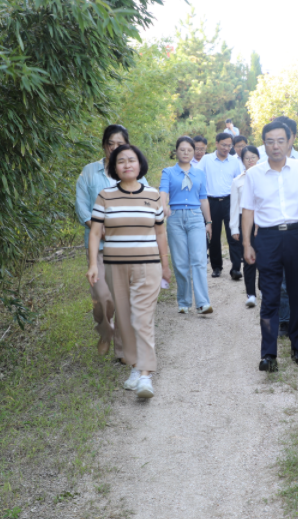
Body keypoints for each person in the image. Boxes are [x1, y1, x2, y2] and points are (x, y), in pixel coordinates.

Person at [87, 144, 172, 398]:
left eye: (131, 160)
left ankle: (145, 375)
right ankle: (135, 367)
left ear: (140, 164)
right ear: (114, 167)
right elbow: (95, 233)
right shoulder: (105, 196)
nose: (127, 165)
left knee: (142, 318)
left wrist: (165, 265)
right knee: (124, 318)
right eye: (121, 161)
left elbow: (160, 233)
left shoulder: (153, 195)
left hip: (148, 265)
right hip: (115, 266)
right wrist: (93, 264)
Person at [242, 122, 298, 372]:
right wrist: (247, 243)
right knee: (270, 295)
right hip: (267, 238)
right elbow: (248, 211)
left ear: (289, 141)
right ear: (264, 144)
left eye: (280, 140)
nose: (275, 146)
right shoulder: (254, 174)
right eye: (270, 141)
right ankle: (268, 355)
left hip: (297, 235)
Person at [75, 125, 150, 359]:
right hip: (98, 246)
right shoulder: (89, 172)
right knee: (102, 297)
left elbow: (147, 200)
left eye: (120, 144)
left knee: (123, 298)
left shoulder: (133, 170)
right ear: (104, 145)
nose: (114, 148)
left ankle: (121, 350)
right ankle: (105, 331)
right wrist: (99, 229)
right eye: (111, 144)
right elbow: (82, 208)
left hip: (126, 247)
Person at [257, 117, 298, 336]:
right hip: (273, 230)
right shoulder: (262, 162)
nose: (278, 143)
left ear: (291, 137)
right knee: (281, 277)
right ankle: (284, 318)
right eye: (272, 139)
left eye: (285, 136)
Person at [160, 137, 215, 315]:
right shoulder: (168, 172)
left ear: (194, 152)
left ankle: (203, 303)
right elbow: (163, 192)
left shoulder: (199, 173)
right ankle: (184, 301)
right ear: (176, 151)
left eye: (189, 150)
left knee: (199, 260)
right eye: (182, 149)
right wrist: (163, 206)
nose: (186, 153)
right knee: (180, 262)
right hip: (175, 218)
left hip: (196, 217)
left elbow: (203, 198)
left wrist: (208, 222)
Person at [201, 132, 245, 279]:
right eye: (223, 145)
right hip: (211, 202)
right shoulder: (206, 160)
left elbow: (239, 181)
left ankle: (236, 268)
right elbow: (198, 177)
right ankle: (216, 267)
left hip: (230, 201)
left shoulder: (234, 162)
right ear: (216, 143)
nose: (226, 148)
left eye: (229, 145)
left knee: (234, 234)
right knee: (213, 236)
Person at [230, 145, 262, 308]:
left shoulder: (266, 176)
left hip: (264, 221)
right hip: (245, 221)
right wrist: (234, 228)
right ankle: (251, 294)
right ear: (242, 161)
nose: (250, 160)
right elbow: (234, 207)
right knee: (249, 258)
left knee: (265, 258)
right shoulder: (238, 181)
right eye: (246, 158)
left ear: (258, 158)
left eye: (253, 157)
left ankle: (263, 288)